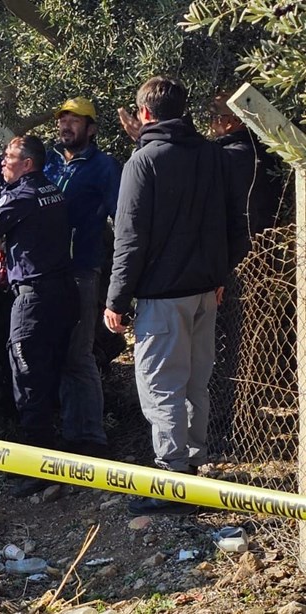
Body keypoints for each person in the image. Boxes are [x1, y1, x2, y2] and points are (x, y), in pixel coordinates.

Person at [104, 77, 250, 516]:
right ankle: (193, 466)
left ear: (145, 114)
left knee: (161, 386)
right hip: (206, 291)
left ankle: (172, 481)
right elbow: (234, 219)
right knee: (193, 383)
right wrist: (220, 272)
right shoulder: (211, 154)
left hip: (163, 296)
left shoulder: (143, 162)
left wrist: (116, 299)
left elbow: (130, 237)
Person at [0, 99, 121, 459]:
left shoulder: (104, 167)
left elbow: (122, 218)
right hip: (52, 275)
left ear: (92, 128)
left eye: (75, 120)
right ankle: (65, 434)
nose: (66, 125)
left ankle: (89, 438)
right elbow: (12, 185)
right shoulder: (50, 165)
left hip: (80, 270)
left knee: (77, 356)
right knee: (55, 357)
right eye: (62, 119)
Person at [0, 135, 79, 498]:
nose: (2, 162)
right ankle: (62, 450)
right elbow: (3, 197)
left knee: (27, 380)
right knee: (51, 375)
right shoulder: (49, 189)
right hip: (63, 294)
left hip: (34, 299)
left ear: (27, 164)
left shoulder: (22, 197)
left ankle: (38, 469)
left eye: (9, 157)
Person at [210, 92, 282, 235]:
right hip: (267, 237)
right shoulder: (267, 153)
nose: (211, 124)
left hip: (236, 238)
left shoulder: (227, 157)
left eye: (213, 117)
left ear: (230, 121)